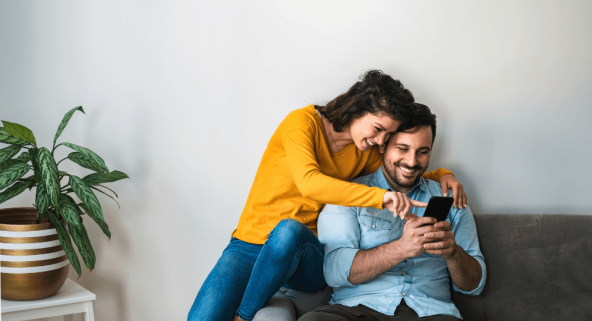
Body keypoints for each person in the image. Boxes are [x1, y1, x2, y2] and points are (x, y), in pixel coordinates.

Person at [187, 71, 468, 321]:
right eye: (378, 129)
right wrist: (379, 198)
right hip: (250, 242)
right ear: (358, 109)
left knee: (288, 232)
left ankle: (243, 318)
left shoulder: (366, 153)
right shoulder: (302, 123)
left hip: (303, 252)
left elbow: (403, 169)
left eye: (388, 134)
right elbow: (310, 183)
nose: (381, 141)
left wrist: (444, 173)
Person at [300, 103, 486, 321]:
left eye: (423, 152)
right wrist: (402, 248)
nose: (412, 161)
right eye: (403, 148)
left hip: (430, 313)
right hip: (356, 310)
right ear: (382, 146)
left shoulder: (451, 197)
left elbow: (475, 286)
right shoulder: (349, 194)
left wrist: (452, 252)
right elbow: (333, 272)